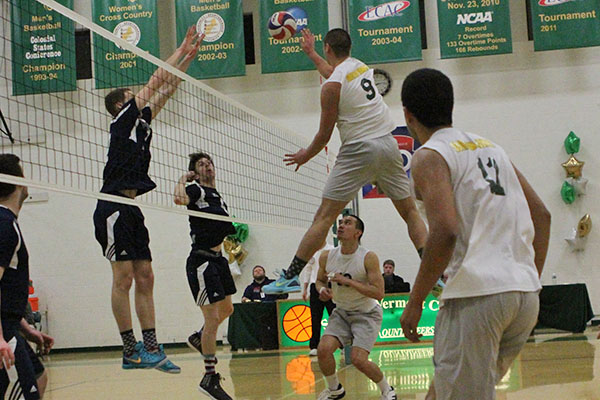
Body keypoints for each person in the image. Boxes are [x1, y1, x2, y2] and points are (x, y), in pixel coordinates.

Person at [398, 68, 551, 400]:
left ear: (408, 115)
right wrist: (525, 278)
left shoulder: (430, 155)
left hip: (477, 296)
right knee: (447, 390)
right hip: (523, 297)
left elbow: (445, 232)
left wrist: (415, 301)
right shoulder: (493, 149)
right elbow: (542, 214)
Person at [263, 28, 427, 295]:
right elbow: (334, 73)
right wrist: (311, 54)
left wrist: (305, 155)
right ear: (348, 47)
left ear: (328, 48)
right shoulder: (359, 67)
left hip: (358, 150)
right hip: (388, 145)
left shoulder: (330, 87)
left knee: (325, 217)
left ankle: (291, 276)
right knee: (410, 212)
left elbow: (324, 134)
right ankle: (437, 271)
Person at [93, 26, 201, 373]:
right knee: (123, 278)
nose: (140, 97)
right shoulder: (123, 120)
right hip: (112, 204)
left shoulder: (141, 124)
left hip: (131, 206)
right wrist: (179, 47)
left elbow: (167, 88)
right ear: (121, 105)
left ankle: (151, 347)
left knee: (146, 275)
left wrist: (187, 61)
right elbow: (156, 80)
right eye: (132, 95)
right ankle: (130, 348)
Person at [174, 152, 237, 400]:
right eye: (201, 164)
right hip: (201, 261)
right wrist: (183, 179)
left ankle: (199, 338)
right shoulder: (196, 191)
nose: (207, 166)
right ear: (195, 172)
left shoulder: (217, 196)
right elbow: (179, 198)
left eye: (209, 162)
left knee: (228, 310)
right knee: (212, 319)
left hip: (219, 260)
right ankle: (209, 378)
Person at [315, 215, 396, 400]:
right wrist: (322, 290)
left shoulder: (368, 257)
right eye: (341, 223)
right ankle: (335, 389)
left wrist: (347, 281)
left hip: (367, 313)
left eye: (347, 223)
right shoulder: (327, 256)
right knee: (323, 350)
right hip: (341, 312)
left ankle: (387, 389)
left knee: (359, 360)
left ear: (358, 233)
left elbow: (379, 293)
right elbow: (319, 281)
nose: (341, 225)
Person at [0, 154, 54, 400]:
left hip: (10, 326)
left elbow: (7, 287)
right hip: (4, 333)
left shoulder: (8, 222)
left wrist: (27, 329)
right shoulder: (3, 224)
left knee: (39, 376)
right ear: (17, 182)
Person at [300, 241, 335, 356]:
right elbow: (308, 269)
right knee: (315, 317)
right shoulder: (312, 250)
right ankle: (314, 345)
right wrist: (304, 289)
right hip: (315, 286)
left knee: (335, 316)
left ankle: (343, 345)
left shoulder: (331, 249)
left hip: (329, 285)